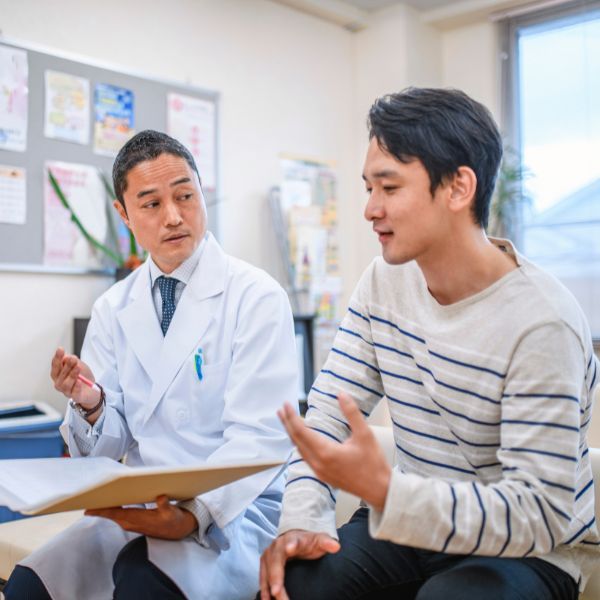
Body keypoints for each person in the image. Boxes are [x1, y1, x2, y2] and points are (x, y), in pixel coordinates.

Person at [259, 87, 600, 600]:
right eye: (368, 188)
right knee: (296, 583)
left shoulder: (542, 323)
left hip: (529, 551)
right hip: (410, 530)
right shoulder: (384, 283)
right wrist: (303, 519)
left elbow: (539, 515)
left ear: (459, 187)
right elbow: (327, 415)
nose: (370, 209)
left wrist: (388, 494)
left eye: (389, 187)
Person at [3, 130, 298, 600]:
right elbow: (109, 446)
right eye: (152, 204)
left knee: (143, 586)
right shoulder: (114, 307)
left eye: (185, 195)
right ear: (123, 214)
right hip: (143, 505)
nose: (175, 216)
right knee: (29, 587)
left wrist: (192, 515)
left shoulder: (256, 297)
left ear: (203, 194)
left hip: (232, 512)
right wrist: (92, 405)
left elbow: (260, 438)